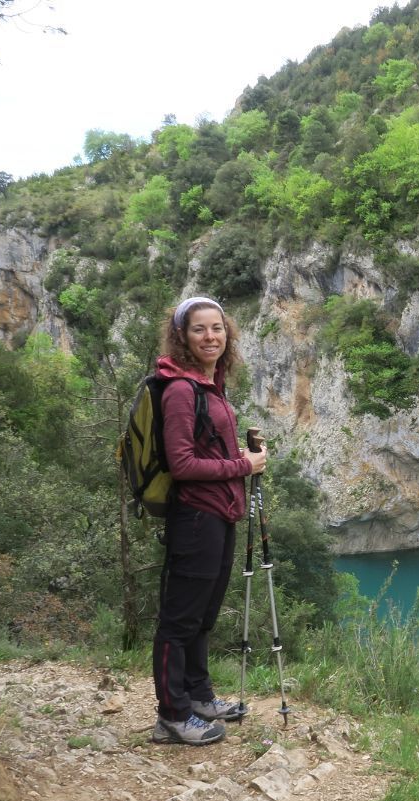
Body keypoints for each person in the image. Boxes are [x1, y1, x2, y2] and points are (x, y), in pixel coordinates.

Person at [150, 295, 266, 745]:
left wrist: (242, 455)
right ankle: (172, 715)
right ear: (182, 336)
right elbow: (182, 464)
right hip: (196, 517)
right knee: (180, 619)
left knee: (203, 615)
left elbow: (206, 448)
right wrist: (243, 466)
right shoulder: (181, 389)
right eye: (199, 329)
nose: (210, 336)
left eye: (217, 328)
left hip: (219, 514)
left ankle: (198, 696)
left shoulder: (208, 383)